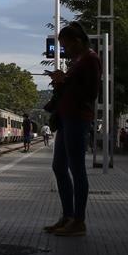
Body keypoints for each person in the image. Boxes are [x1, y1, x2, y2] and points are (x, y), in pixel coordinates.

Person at [43, 22, 100, 238]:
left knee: (77, 169)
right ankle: (68, 216)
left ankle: (79, 221)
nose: (64, 50)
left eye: (65, 45)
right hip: (67, 119)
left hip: (78, 118)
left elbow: (90, 93)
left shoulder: (90, 59)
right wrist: (62, 80)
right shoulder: (78, 61)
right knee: (59, 166)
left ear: (77, 42)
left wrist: (64, 81)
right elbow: (74, 87)